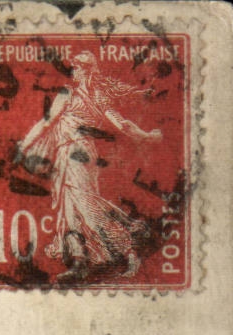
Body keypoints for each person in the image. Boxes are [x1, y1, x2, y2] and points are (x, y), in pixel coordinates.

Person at [12, 52, 163, 279]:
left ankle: (130, 248)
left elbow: (47, 121)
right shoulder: (99, 97)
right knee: (69, 208)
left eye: (76, 68)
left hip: (74, 154)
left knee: (86, 206)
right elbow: (123, 125)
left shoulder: (69, 93)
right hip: (80, 154)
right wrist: (147, 136)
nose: (73, 71)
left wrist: (25, 146)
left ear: (84, 70)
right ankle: (79, 260)